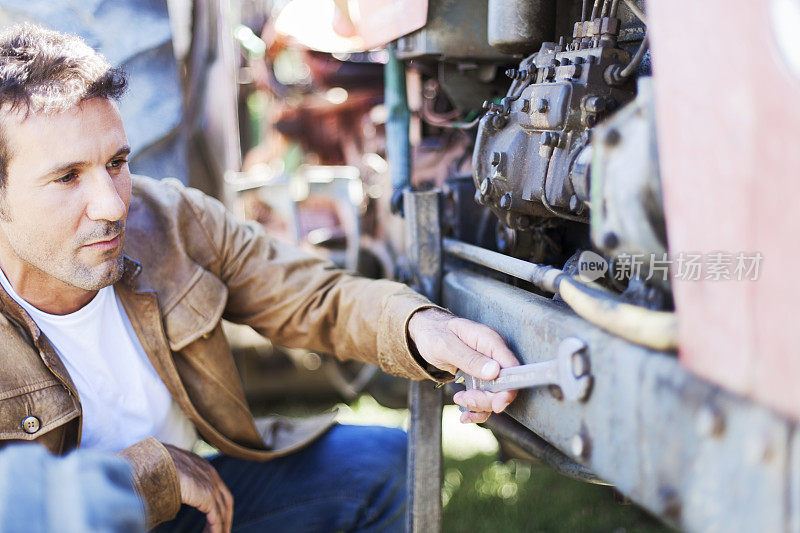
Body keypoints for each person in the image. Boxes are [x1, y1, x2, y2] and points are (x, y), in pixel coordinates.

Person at [0, 23, 519, 532]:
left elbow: (310, 296)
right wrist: (145, 475)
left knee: (379, 465)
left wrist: (421, 329)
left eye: (116, 163)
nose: (112, 205)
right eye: (67, 177)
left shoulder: (167, 220)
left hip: (195, 507)